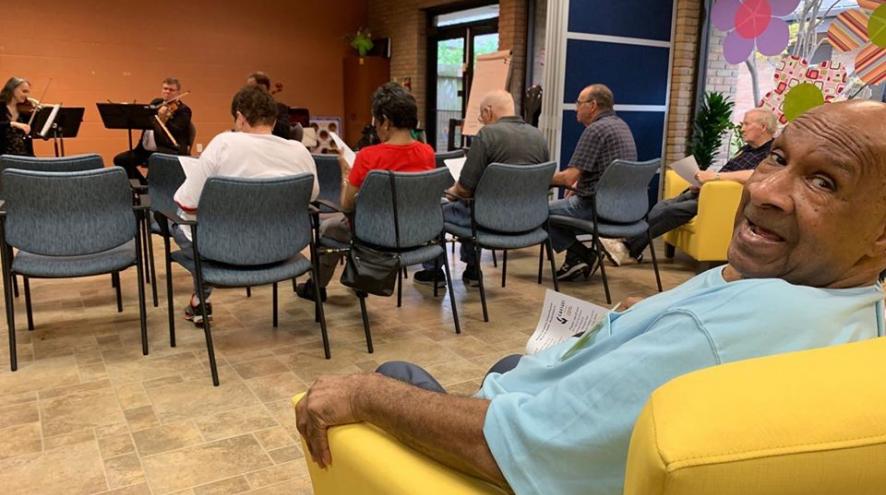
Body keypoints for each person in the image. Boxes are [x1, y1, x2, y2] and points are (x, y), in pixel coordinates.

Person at [296, 100, 886, 495]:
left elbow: (517, 449)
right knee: (512, 361)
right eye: (777, 158)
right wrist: (648, 316)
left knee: (392, 372)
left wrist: (368, 395)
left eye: (823, 181)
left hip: (520, 458)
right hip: (561, 222)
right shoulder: (854, 307)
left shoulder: (711, 342)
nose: (766, 190)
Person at [172, 85, 318, 326]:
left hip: (228, 250)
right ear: (273, 119)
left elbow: (187, 204)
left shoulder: (224, 144)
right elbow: (311, 196)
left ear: (240, 117)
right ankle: (199, 298)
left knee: (177, 221)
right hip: (283, 248)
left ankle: (201, 298)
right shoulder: (299, 151)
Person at [295, 82, 434, 302]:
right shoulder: (427, 152)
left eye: (375, 121)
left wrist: (345, 173)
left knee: (329, 228)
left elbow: (347, 205)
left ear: (386, 122)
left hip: (373, 236)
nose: (375, 127)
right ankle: (360, 280)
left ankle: (316, 287)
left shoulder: (368, 156)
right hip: (415, 233)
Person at [601, 108, 777, 265]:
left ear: (763, 127)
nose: (742, 128)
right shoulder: (747, 149)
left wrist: (715, 177)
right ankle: (633, 248)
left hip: (722, 201)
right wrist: (705, 182)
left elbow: (754, 175)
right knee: (663, 205)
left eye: (747, 124)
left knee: (669, 212)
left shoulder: (771, 153)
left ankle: (626, 247)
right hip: (709, 192)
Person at [412, 90, 550, 287]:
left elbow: (465, 189)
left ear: (488, 111)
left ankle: (434, 272)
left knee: (437, 210)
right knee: (473, 205)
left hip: (489, 222)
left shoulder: (487, 135)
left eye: (481, 115)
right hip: (529, 222)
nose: (481, 120)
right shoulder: (538, 136)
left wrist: (449, 192)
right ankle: (472, 271)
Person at [548, 84, 637, 281]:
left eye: (579, 103)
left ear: (593, 105)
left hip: (597, 208)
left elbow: (568, 177)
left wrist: (536, 178)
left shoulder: (596, 130)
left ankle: (583, 254)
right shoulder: (621, 125)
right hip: (626, 208)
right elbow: (606, 171)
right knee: (563, 208)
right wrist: (581, 184)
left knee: (538, 212)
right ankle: (575, 260)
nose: (575, 108)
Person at [113, 77, 192, 184]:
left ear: (178, 92)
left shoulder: (183, 110)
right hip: (144, 150)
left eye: (171, 90)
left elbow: (176, 130)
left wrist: (164, 119)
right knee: (120, 160)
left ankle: (152, 188)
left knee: (154, 163)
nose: (167, 92)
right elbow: (146, 118)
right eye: (165, 88)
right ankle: (143, 185)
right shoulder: (156, 102)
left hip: (168, 150)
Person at [246, 71, 303, 141]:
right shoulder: (247, 110)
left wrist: (266, 114)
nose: (247, 92)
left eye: (251, 88)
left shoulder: (279, 108)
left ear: (263, 89)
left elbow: (285, 133)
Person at [1, 77, 34, 156]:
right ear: (13, 90)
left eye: (27, 92)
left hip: (23, 156)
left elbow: (28, 138)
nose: (26, 95)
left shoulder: (24, 111)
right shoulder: (1, 107)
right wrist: (12, 124)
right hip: (3, 156)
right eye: (24, 91)